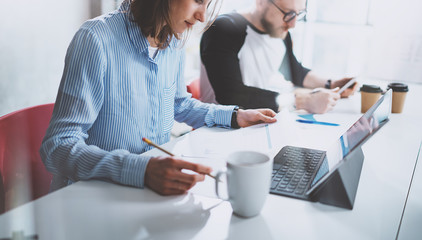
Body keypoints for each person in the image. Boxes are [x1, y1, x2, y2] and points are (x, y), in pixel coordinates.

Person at [40, 0, 277, 196]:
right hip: (91, 197)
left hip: (147, 194)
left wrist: (235, 116)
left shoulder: (174, 41)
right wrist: (140, 170)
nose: (202, 17)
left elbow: (179, 104)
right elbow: (58, 145)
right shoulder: (95, 39)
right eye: (198, 1)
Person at [199, 0, 358, 114]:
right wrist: (303, 101)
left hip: (260, 120)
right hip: (220, 129)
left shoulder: (280, 30)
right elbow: (231, 95)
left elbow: (295, 72)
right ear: (261, 2)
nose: (293, 23)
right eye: (288, 13)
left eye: (298, 14)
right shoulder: (223, 29)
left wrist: (331, 84)